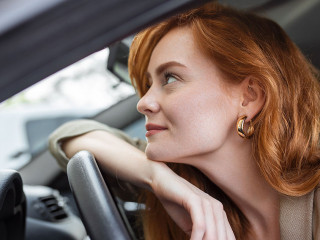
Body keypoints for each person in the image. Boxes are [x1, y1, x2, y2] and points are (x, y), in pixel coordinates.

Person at [49, 2, 320, 240]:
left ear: (249, 97)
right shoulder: (177, 179)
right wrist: (155, 177)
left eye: (170, 78)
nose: (143, 103)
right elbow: (71, 135)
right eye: (147, 84)